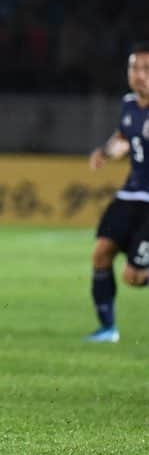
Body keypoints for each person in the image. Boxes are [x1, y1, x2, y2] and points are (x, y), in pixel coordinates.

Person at [86, 41, 149, 343]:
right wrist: (106, 152)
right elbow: (125, 137)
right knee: (101, 253)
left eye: (146, 69)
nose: (139, 74)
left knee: (134, 278)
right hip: (131, 194)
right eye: (134, 67)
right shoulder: (128, 104)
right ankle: (107, 329)